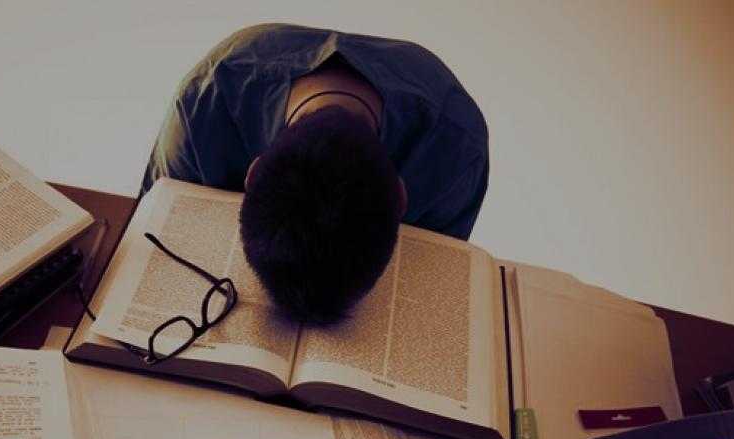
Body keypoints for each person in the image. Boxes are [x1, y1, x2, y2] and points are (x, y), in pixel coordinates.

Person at [144, 24, 489, 324]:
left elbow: (428, 285)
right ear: (400, 196)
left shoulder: (458, 152)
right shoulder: (201, 106)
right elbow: (152, 249)